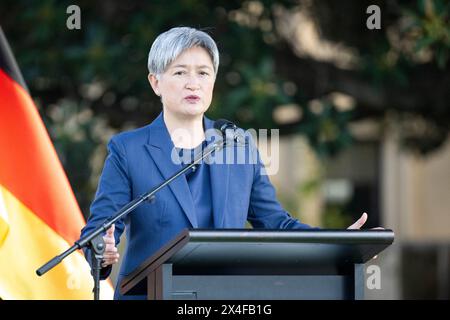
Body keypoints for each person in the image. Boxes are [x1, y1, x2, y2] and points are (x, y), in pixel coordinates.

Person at [80, 27, 371, 300]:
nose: (193, 83)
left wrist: (337, 241)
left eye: (203, 73)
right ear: (155, 82)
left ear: (213, 82)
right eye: (180, 72)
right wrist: (101, 252)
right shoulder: (128, 150)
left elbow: (276, 224)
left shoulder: (238, 145)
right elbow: (98, 234)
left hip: (224, 298)